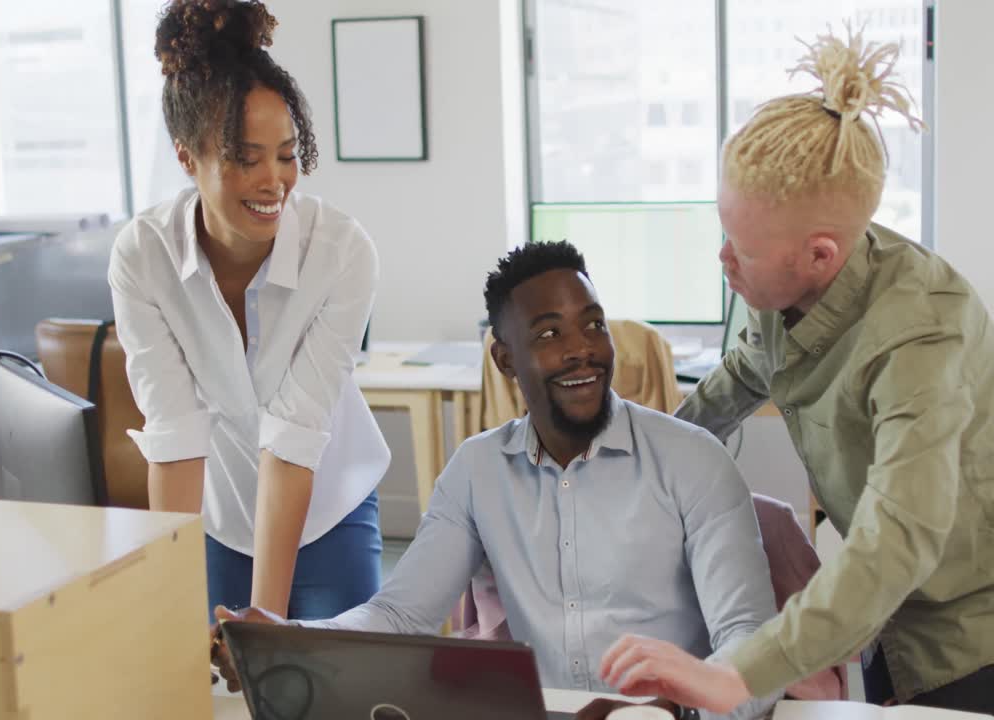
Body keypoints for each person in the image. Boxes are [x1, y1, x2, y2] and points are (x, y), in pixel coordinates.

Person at [598, 27, 994, 720]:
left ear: (820, 256)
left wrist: (737, 673)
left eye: (743, 250)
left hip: (989, 605)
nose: (724, 260)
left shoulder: (920, 333)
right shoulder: (779, 286)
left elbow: (899, 538)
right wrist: (636, 458)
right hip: (897, 596)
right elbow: (741, 377)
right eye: (723, 232)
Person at [214, 241, 781, 720]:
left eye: (593, 324)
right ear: (506, 360)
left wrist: (677, 708)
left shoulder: (694, 460)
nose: (581, 349)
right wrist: (290, 637)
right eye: (549, 334)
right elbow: (400, 615)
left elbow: (752, 644)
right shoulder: (478, 469)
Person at [109, 0, 389, 622]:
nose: (274, 181)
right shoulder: (143, 256)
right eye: (245, 156)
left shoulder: (339, 253)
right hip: (217, 515)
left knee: (325, 689)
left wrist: (267, 618)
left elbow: (294, 437)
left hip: (327, 510)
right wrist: (170, 605)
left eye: (286, 155)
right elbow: (175, 436)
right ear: (188, 159)